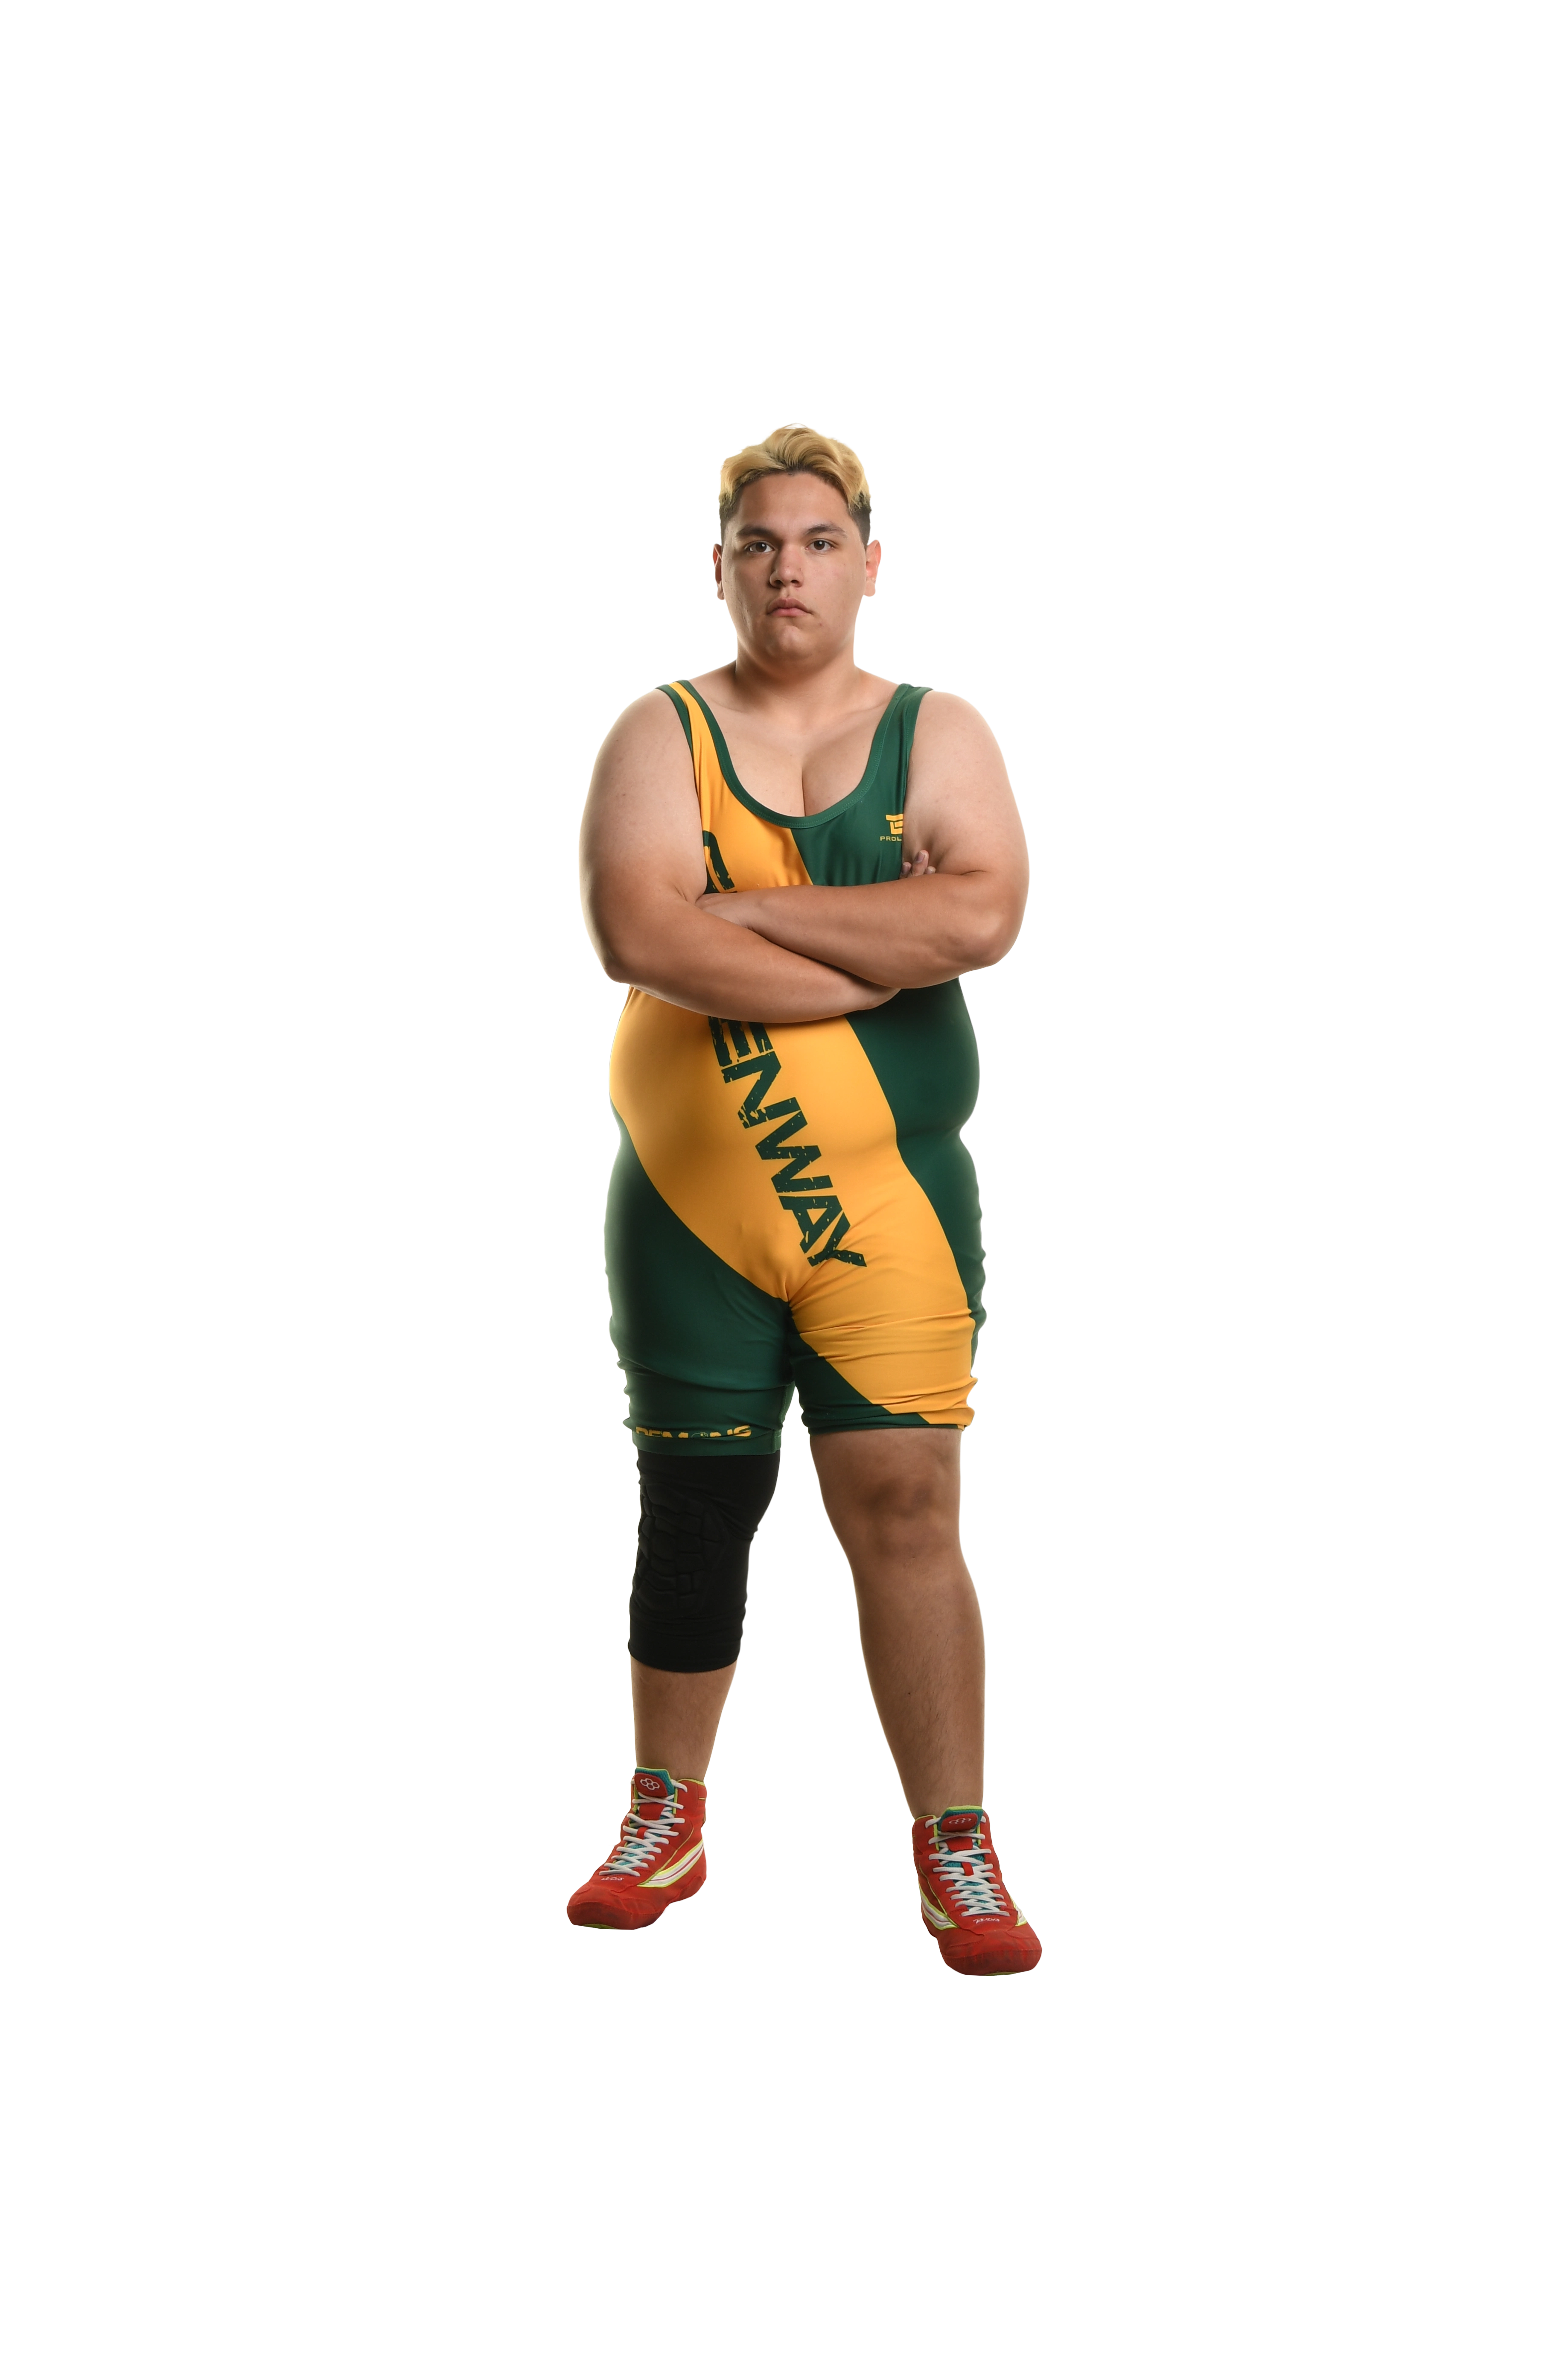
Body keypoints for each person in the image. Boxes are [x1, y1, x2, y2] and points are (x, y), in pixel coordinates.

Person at [567, 423, 1038, 1976]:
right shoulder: (658, 732)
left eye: (821, 542)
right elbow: (641, 935)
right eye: (759, 543)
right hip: (691, 1211)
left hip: (890, 1215)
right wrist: (866, 943)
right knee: (695, 1509)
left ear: (872, 565)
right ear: (717, 567)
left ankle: (956, 1845)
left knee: (905, 1506)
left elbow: (980, 915)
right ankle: (666, 1815)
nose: (789, 568)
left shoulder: (938, 730)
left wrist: (745, 907)